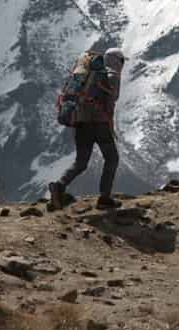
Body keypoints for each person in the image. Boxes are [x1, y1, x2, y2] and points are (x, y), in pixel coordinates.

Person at [48, 47, 125, 210]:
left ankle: (59, 186)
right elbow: (114, 96)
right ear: (117, 61)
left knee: (81, 162)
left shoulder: (89, 74)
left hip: (81, 123)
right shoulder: (112, 76)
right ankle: (104, 199)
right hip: (100, 125)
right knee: (112, 159)